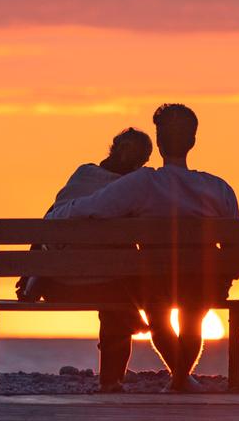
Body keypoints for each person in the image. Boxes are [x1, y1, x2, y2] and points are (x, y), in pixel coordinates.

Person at [48, 103, 239, 392]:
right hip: (205, 285)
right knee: (193, 310)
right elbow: (236, 249)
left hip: (158, 285)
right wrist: (224, 278)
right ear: (192, 141)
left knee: (158, 313)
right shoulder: (219, 188)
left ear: (159, 143)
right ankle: (181, 380)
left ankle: (179, 379)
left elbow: (92, 208)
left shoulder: (142, 183)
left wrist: (56, 215)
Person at [18, 128, 153, 392]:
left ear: (113, 148)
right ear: (141, 162)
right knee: (119, 301)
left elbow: (46, 225)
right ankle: (111, 380)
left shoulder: (82, 174)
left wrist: (28, 274)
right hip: (111, 288)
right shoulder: (131, 190)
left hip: (59, 288)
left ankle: (130, 316)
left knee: (118, 292)